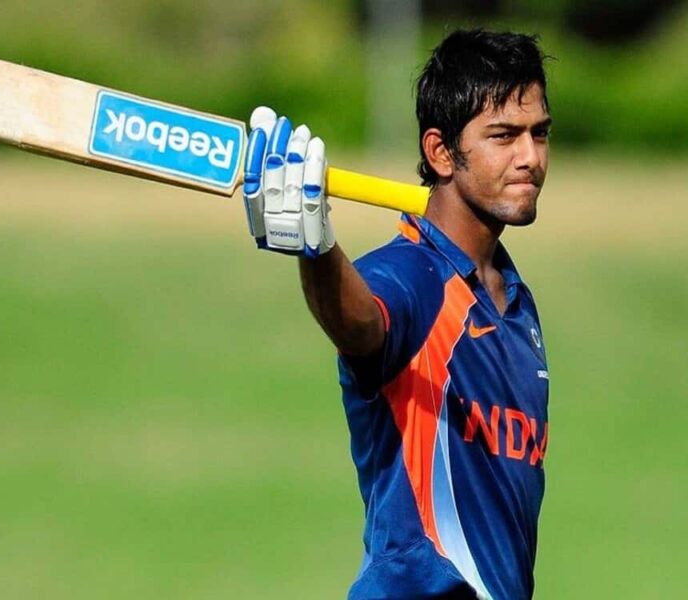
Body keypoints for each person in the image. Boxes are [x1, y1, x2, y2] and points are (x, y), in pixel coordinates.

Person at [242, 29, 551, 600]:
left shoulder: (517, 303)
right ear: (441, 152)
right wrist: (317, 249)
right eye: (504, 136)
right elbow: (361, 323)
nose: (530, 157)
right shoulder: (413, 276)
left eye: (539, 133)